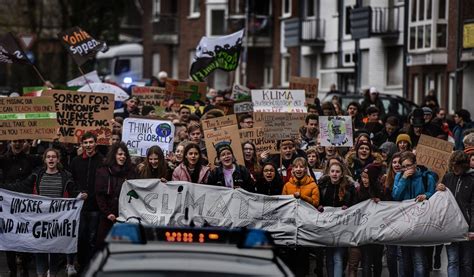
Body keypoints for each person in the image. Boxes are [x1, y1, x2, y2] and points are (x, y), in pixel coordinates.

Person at [392, 151, 437, 277]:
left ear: (415, 164)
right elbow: (396, 196)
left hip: (420, 222)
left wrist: (426, 195)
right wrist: (404, 179)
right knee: (404, 259)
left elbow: (433, 194)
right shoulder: (399, 177)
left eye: (409, 166)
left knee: (419, 260)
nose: (406, 169)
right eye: (404, 167)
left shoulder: (426, 177)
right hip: (404, 222)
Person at [70, 132, 104, 272]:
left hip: (96, 206)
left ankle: (90, 267)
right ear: (82, 144)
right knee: (80, 237)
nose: (88, 145)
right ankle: (80, 264)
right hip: (80, 206)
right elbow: (71, 180)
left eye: (91, 142)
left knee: (92, 238)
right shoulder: (76, 161)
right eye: (86, 142)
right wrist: (77, 193)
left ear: (96, 143)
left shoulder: (102, 160)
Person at [436, 151, 474, 276]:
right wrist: (439, 188)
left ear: (464, 165)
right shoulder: (448, 177)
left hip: (467, 226)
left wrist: (472, 229)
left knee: (466, 262)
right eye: (452, 166)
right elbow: (441, 199)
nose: (454, 169)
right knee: (453, 261)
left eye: (457, 166)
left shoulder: (472, 179)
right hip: (450, 226)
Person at [318, 160, 355, 277]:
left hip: (342, 227)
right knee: (329, 257)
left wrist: (348, 207)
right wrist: (319, 206)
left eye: (337, 172)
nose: (335, 174)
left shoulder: (349, 188)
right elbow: (318, 201)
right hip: (327, 226)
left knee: (338, 257)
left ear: (342, 174)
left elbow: (354, 204)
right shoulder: (323, 186)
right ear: (328, 172)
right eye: (332, 171)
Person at [95, 142, 135, 249]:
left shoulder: (131, 172)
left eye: (124, 155)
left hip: (124, 216)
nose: (122, 157)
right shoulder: (103, 171)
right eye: (120, 154)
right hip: (107, 216)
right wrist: (107, 213)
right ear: (114, 155)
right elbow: (99, 195)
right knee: (103, 245)